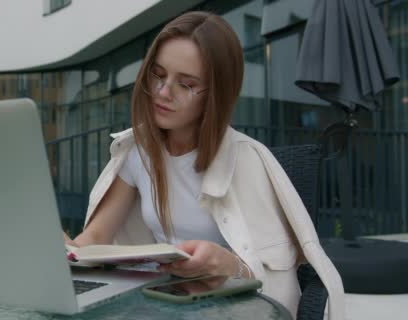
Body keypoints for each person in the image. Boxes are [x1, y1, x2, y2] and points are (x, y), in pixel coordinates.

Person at [64, 11, 343, 320]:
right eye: (158, 74)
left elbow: (281, 284)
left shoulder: (249, 161)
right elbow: (96, 236)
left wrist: (229, 265)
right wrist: (64, 247)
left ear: (217, 95)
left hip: (234, 310)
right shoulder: (138, 151)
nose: (163, 92)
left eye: (186, 84)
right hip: (167, 305)